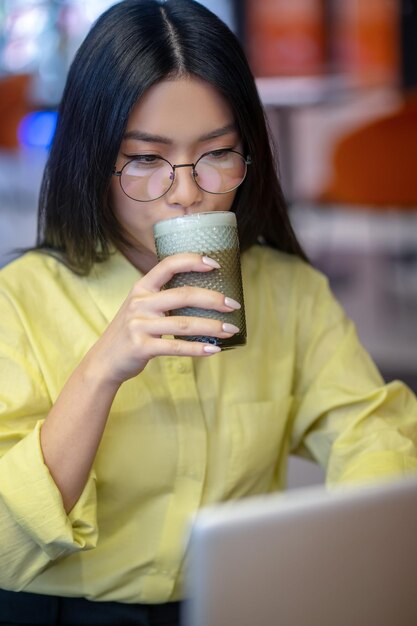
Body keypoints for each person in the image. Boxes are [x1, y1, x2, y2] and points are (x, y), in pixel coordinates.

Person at [1, 1, 417, 624]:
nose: (189, 192)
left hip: (237, 606)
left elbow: (373, 432)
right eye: (145, 159)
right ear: (93, 161)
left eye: (218, 153)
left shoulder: (288, 290)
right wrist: (100, 372)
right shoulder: (21, 299)